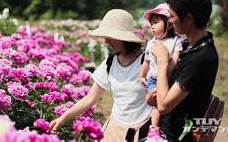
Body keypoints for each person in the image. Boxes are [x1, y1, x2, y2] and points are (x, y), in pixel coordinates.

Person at [49, 9, 153, 142]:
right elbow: (90, 98)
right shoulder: (110, 63)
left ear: (122, 37)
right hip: (115, 129)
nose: (106, 42)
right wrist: (63, 118)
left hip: (143, 129)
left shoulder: (148, 61)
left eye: (109, 37)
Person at [151, 0, 219, 141]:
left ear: (188, 18)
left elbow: (164, 106)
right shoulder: (191, 47)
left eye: (172, 16)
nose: (170, 21)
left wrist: (162, 61)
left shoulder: (201, 57)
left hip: (177, 136)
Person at [140, 3, 184, 142]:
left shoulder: (176, 41)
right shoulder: (151, 43)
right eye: (151, 23)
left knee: (165, 103)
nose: (152, 26)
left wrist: (165, 65)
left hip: (170, 79)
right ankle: (154, 130)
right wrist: (142, 75)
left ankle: (160, 127)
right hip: (153, 79)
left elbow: (174, 62)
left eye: (156, 22)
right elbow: (147, 61)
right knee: (157, 105)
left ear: (168, 23)